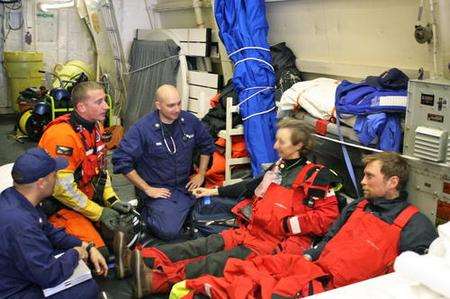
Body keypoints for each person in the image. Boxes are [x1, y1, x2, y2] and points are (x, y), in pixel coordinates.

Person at [115, 118, 342, 297]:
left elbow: (327, 218)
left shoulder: (316, 177)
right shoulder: (278, 167)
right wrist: (212, 191)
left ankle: (153, 281)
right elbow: (249, 185)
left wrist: (284, 224)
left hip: (273, 245)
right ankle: (140, 259)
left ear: (299, 146)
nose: (274, 146)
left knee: (213, 263)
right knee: (200, 245)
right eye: (276, 139)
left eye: (281, 142)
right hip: (250, 231)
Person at [172, 152, 439, 298]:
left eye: (369, 177)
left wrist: (290, 230)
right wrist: (308, 255)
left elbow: (406, 282)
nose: (364, 182)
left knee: (255, 287)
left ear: (393, 182)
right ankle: (169, 279)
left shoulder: (415, 226)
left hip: (337, 287)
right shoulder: (356, 207)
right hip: (309, 265)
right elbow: (328, 240)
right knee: (246, 271)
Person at [0, 148, 108, 299]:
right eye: (54, 174)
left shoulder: (17, 198)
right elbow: (48, 275)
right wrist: (76, 253)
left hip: (19, 270)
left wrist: (87, 246)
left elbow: (50, 232)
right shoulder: (20, 223)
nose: (57, 178)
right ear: (42, 183)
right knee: (87, 290)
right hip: (13, 290)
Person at [112, 84, 216, 241]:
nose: (177, 109)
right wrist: (147, 189)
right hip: (158, 190)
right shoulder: (142, 129)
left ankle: (183, 216)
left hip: (185, 186)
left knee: (214, 211)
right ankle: (144, 213)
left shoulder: (189, 121)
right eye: (171, 105)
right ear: (158, 105)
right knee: (169, 232)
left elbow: (206, 145)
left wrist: (201, 174)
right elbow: (121, 160)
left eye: (179, 103)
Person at [38, 81, 130, 254]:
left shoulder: (96, 127)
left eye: (105, 100)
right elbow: (62, 190)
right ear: (81, 107)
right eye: (99, 102)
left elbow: (101, 171)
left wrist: (112, 200)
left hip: (85, 199)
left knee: (125, 235)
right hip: (60, 206)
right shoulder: (62, 136)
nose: (106, 106)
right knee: (98, 252)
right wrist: (99, 212)